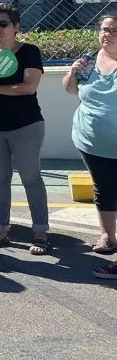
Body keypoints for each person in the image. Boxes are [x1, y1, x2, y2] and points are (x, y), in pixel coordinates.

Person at [0, 2, 49, 254]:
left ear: (15, 26)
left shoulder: (29, 51)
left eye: (2, 23)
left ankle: (40, 233)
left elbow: (29, 87)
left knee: (31, 178)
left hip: (26, 124)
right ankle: (0, 230)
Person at [63, 14, 117, 280]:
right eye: (105, 29)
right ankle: (108, 237)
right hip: (91, 142)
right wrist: (72, 72)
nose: (108, 34)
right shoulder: (88, 60)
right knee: (103, 188)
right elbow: (70, 90)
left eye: (115, 31)